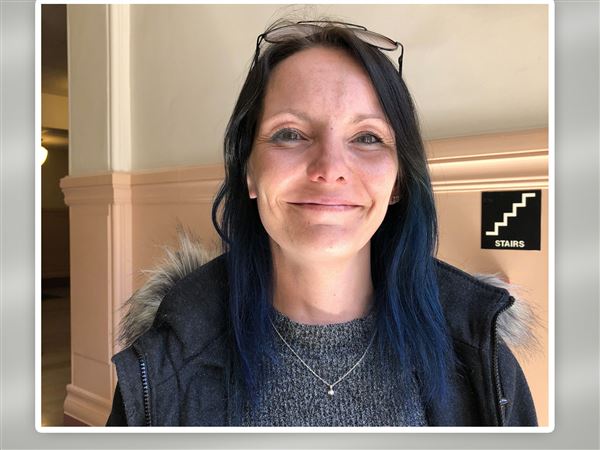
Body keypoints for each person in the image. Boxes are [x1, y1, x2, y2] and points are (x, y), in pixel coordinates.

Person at [106, 19, 538, 426]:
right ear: (249, 170)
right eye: (290, 133)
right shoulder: (162, 367)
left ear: (398, 182)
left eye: (367, 137)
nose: (330, 169)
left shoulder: (482, 357)